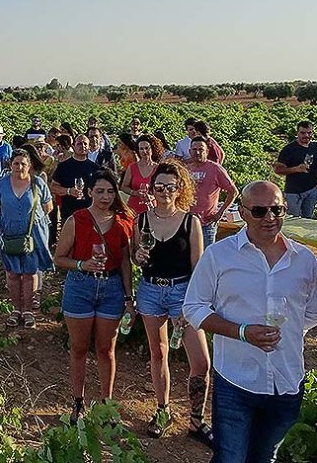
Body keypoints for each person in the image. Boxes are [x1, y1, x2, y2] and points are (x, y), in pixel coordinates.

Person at [183, 181, 317, 463]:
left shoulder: (304, 260)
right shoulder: (219, 256)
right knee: (231, 457)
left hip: (286, 382)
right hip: (237, 380)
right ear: (243, 212)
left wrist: (289, 332)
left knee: (264, 456)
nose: (270, 218)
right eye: (260, 211)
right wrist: (242, 333)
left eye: (277, 209)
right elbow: (193, 307)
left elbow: (315, 312)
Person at [133, 162, 211, 445]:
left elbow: (198, 270)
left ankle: (196, 420)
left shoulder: (191, 222)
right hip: (151, 291)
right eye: (159, 187)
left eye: (170, 187)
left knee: (201, 362)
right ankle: (162, 410)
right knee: (159, 353)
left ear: (180, 190)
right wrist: (137, 257)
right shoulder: (140, 220)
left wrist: (190, 308)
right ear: (151, 189)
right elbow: (134, 254)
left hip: (182, 293)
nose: (164, 191)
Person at [54, 168, 135, 424]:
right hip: (81, 286)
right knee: (78, 348)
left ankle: (106, 403)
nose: (105, 196)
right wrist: (82, 265)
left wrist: (128, 297)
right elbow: (59, 258)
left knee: (106, 349)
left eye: (110, 191)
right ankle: (78, 402)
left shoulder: (124, 221)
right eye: (99, 191)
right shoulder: (76, 220)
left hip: (111, 288)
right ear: (89, 192)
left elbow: (125, 263)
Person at [0, 149, 54, 327]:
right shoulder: (2, 184)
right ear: (11, 164)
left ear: (29, 165)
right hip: (8, 234)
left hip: (33, 235)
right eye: (16, 163)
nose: (19, 167)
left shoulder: (38, 183)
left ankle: (28, 310)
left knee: (30, 273)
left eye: (23, 163)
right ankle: (16, 309)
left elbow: (48, 207)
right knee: (12, 274)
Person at [187, 137, 238, 248]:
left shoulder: (215, 169)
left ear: (207, 151)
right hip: (188, 223)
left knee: (207, 258)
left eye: (201, 149)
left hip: (207, 223)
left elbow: (233, 192)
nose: (197, 152)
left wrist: (220, 213)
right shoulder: (185, 169)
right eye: (194, 149)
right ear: (189, 151)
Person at [273, 120, 317, 218]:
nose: (306, 135)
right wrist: (296, 169)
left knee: (308, 219)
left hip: (312, 190)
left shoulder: (315, 146)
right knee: (293, 220)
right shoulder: (288, 149)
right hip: (294, 192)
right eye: (303, 133)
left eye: (309, 132)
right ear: (297, 133)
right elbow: (277, 170)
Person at [51, 134, 99, 222]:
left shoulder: (95, 168)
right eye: (79, 144)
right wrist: (68, 191)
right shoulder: (63, 166)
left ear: (88, 147)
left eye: (85, 144)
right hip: (69, 214)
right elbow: (53, 187)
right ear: (73, 146)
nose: (83, 146)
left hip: (90, 213)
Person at [120, 134, 163, 215]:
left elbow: (162, 189)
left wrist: (153, 196)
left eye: (147, 148)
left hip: (152, 208)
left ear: (152, 149)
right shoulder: (132, 167)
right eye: (141, 149)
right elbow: (123, 187)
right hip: (133, 209)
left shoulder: (158, 168)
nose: (144, 151)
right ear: (138, 151)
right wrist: (135, 193)